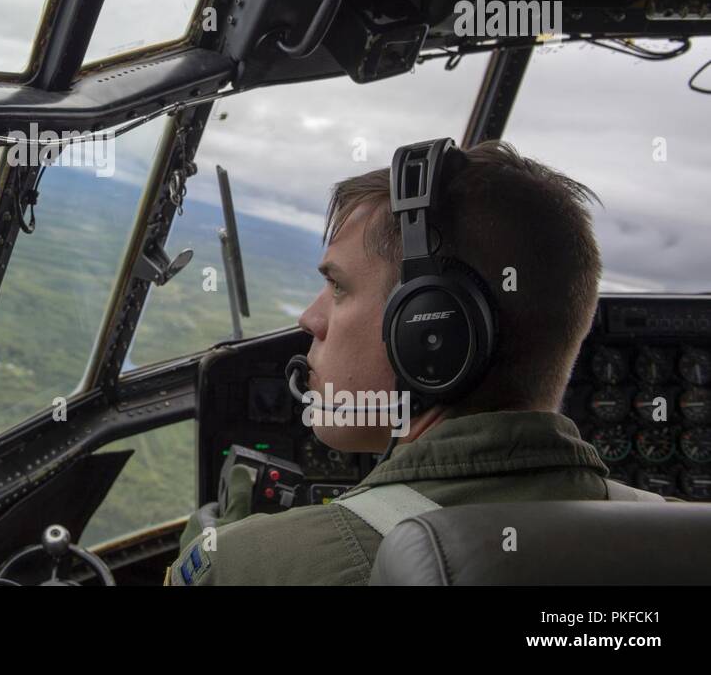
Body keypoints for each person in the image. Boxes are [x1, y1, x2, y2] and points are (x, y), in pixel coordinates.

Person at [167, 139, 649, 586]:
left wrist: (218, 546)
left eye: (338, 286)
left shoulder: (251, 566)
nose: (310, 318)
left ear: (430, 332)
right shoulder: (675, 532)